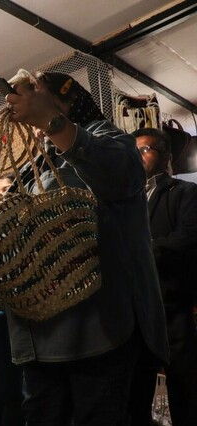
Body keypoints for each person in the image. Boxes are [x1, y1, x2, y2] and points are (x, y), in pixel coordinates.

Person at [5, 71, 169, 425]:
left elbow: (119, 172)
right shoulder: (33, 171)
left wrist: (51, 120)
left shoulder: (111, 141)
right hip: (41, 339)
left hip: (101, 338)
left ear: (66, 101)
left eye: (41, 96)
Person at [129, 127, 197, 426]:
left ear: (166, 156)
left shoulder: (184, 192)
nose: (138, 156)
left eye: (146, 149)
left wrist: (143, 251)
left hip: (171, 304)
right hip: (136, 311)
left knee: (183, 386)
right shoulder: (127, 199)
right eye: (134, 151)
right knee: (137, 388)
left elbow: (188, 237)